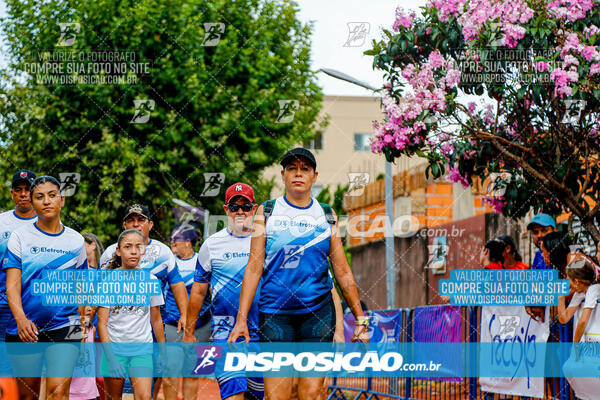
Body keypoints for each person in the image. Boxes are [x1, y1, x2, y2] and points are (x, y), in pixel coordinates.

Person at [229, 148, 369, 400]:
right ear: (283, 175)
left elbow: (342, 271)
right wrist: (241, 320)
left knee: (312, 393)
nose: (298, 174)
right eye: (292, 169)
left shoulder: (326, 215)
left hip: (317, 315)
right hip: (275, 315)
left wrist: (360, 319)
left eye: (305, 169)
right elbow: (253, 267)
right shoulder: (267, 211)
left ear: (314, 176)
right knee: (276, 395)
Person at [4, 176, 88, 400]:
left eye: (52, 195)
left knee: (58, 392)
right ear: (32, 202)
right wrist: (21, 319)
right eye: (40, 197)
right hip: (25, 327)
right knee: (26, 396)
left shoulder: (76, 240)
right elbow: (11, 285)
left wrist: (81, 322)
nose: (47, 201)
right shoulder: (19, 237)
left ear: (62, 200)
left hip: (65, 324)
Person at [184, 183, 263, 400]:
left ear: (254, 208)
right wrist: (189, 333)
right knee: (233, 395)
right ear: (226, 209)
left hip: (263, 334)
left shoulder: (266, 242)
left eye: (245, 206)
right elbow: (198, 292)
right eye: (234, 206)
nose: (240, 211)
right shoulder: (212, 244)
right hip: (225, 333)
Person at [97, 229, 166, 400]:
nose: (134, 251)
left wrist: (163, 351)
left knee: (144, 397)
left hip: (142, 349)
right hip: (114, 349)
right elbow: (102, 323)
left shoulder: (151, 280)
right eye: (128, 247)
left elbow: (156, 319)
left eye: (138, 247)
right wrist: (111, 358)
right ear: (119, 251)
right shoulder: (108, 281)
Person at [99, 205, 187, 329]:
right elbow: (98, 290)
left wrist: (184, 315)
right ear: (125, 226)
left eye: (141, 220)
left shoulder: (163, 252)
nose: (136, 224)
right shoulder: (110, 253)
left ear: (150, 225)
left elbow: (177, 284)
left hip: (154, 325)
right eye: (131, 221)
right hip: (118, 329)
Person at [160, 226, 211, 400]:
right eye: (171, 238)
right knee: (170, 371)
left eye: (176, 239)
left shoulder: (202, 260)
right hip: (174, 323)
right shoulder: (169, 261)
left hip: (201, 324)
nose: (172, 242)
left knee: (194, 372)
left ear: (188, 242)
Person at [0, 170, 37, 376]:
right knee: (3, 368)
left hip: (33, 308)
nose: (24, 194)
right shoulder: (1, 223)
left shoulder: (46, 224)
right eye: (19, 190)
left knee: (28, 372)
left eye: (28, 190)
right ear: (12, 194)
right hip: (2, 305)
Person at [70, 233, 105, 400]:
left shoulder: (104, 273)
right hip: (82, 329)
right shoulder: (78, 273)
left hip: (101, 331)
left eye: (83, 244)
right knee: (83, 372)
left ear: (92, 245)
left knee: (100, 377)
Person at [557, 258, 600, 343]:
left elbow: (583, 321)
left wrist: (576, 343)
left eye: (569, 280)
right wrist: (560, 297)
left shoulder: (594, 289)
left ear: (576, 281)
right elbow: (564, 318)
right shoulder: (579, 293)